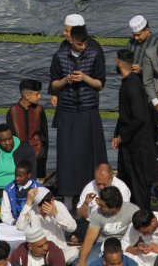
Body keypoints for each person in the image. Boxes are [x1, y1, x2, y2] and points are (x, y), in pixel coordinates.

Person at [49, 24, 107, 201]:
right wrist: (66, 80)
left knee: (89, 154)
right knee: (67, 154)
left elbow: (100, 84)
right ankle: (67, 196)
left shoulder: (94, 54)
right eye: (79, 44)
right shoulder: (60, 56)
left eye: (85, 43)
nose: (83, 47)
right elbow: (53, 84)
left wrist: (85, 78)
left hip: (88, 110)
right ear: (71, 40)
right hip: (67, 110)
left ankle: (91, 194)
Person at [113, 49, 158, 211]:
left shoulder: (132, 86)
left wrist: (122, 136)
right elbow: (125, 113)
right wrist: (116, 133)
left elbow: (139, 117)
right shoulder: (128, 83)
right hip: (130, 143)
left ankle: (142, 216)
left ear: (119, 62)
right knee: (129, 181)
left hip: (138, 144)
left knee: (139, 185)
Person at [77, 186, 140, 266]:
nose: (99, 206)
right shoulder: (97, 213)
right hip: (102, 245)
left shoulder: (133, 211)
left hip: (126, 245)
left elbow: (142, 233)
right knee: (87, 263)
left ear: (113, 208)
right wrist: (82, 261)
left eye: (103, 206)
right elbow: (89, 239)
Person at [16, 187, 78, 262]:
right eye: (40, 207)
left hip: (59, 251)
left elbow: (72, 227)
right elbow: (20, 227)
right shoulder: (32, 208)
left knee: (74, 252)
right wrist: (28, 202)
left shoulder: (59, 206)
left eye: (46, 206)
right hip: (38, 253)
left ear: (52, 200)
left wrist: (56, 214)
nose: (43, 210)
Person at [0, 124, 35, 207]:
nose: (7, 143)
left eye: (9, 139)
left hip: (17, 189)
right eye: (3, 140)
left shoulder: (25, 150)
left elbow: (32, 173)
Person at [6, 81, 48, 179]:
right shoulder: (13, 111)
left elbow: (44, 137)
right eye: (37, 94)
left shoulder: (39, 110)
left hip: (37, 156)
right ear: (27, 96)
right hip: (18, 157)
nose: (40, 96)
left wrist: (42, 156)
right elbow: (10, 136)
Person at [0, 161, 39, 225]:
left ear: (29, 175)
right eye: (15, 175)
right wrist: (14, 222)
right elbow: (5, 213)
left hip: (34, 223)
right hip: (15, 224)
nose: (17, 178)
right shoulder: (9, 190)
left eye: (20, 176)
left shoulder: (39, 188)